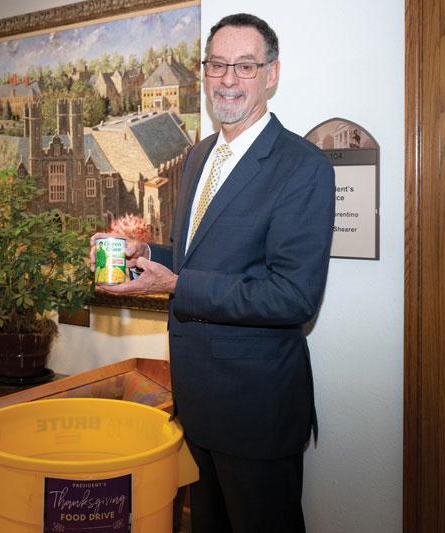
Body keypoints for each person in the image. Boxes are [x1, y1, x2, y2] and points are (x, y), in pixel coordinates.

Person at [91, 13, 335, 533]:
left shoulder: (303, 166)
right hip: (197, 403)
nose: (228, 79)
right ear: (203, 73)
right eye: (217, 65)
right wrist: (144, 250)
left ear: (271, 74)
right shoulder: (201, 154)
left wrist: (177, 285)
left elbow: (292, 297)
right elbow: (197, 254)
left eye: (245, 66)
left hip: (256, 410)